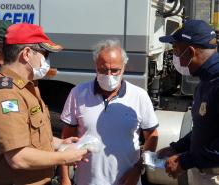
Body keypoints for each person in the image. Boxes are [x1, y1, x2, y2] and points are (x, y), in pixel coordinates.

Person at [0, 23, 88, 185]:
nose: (46, 60)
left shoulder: (28, 86)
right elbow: (18, 158)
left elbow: (31, 136)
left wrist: (61, 144)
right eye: (44, 54)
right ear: (27, 54)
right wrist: (65, 157)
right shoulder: (7, 94)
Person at [60, 39, 159, 185]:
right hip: (86, 181)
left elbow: (152, 135)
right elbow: (66, 138)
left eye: (115, 70)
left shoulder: (139, 96)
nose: (109, 75)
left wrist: (138, 169)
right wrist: (64, 177)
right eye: (103, 70)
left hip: (127, 181)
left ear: (123, 68)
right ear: (95, 66)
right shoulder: (78, 93)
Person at [157, 19, 219, 185]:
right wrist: (177, 147)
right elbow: (205, 128)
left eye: (176, 50)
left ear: (191, 51)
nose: (174, 56)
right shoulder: (205, 82)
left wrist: (185, 161)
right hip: (204, 173)